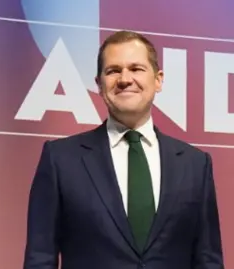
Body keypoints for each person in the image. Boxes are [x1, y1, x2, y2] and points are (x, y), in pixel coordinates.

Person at [23, 31, 224, 269]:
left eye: (136, 68)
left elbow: (208, 259)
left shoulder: (195, 165)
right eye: (113, 70)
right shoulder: (61, 160)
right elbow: (40, 258)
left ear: (158, 79)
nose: (124, 79)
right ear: (99, 84)